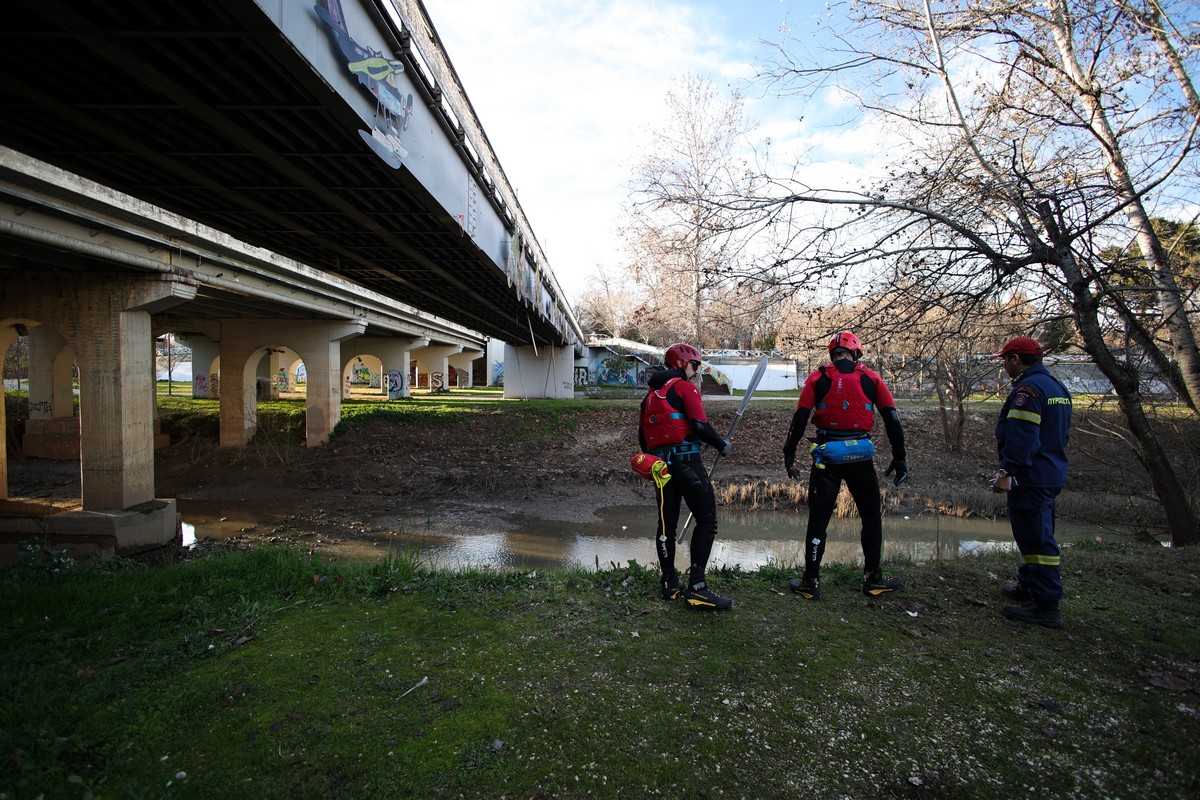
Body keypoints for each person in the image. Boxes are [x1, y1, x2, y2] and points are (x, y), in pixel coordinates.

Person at [781, 331, 909, 600]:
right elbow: (892, 419)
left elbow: (800, 418)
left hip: (828, 458)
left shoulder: (817, 378)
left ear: (833, 354)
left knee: (819, 519)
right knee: (871, 516)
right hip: (860, 457)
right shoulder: (871, 378)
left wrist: (789, 452)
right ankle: (873, 579)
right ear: (856, 353)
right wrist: (899, 458)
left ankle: (810, 582)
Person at [638, 343, 733, 610]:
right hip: (687, 464)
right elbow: (700, 425)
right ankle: (698, 588)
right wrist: (721, 445)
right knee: (707, 519)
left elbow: (644, 439)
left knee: (666, 524)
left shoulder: (649, 397)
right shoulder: (685, 388)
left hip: (661, 468)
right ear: (682, 364)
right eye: (695, 365)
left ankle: (669, 582)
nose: (697, 371)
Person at [992, 336, 1072, 628]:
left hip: (1031, 475)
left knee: (1037, 539)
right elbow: (1061, 434)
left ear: (1015, 359)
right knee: (1033, 532)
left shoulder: (1028, 390)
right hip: (1051, 471)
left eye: (1005, 359)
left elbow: (1022, 437)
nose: (1004, 365)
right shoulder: (1056, 387)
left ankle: (1046, 604)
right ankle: (1028, 583)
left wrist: (1007, 472)